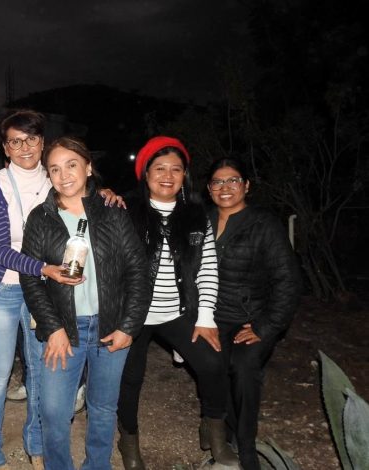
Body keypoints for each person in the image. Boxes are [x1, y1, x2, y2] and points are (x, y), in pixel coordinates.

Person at [19, 136, 149, 470]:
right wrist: (53, 329)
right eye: (54, 169)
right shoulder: (41, 218)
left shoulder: (112, 212)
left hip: (110, 327)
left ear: (88, 167)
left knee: (103, 408)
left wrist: (129, 326)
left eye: (71, 165)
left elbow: (137, 270)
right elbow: (30, 279)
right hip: (65, 328)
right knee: (53, 411)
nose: (64, 175)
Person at [116, 136, 239, 468]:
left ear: (185, 175)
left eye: (176, 169)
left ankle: (214, 430)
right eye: (159, 168)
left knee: (213, 362)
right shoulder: (125, 210)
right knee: (130, 377)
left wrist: (206, 317)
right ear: (145, 173)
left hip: (178, 311)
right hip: (133, 314)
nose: (167, 176)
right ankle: (128, 439)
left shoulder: (197, 215)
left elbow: (208, 268)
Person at [206, 158, 301, 470]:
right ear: (209, 188)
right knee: (211, 365)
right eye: (218, 182)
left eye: (233, 180)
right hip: (209, 317)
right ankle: (221, 428)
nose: (225, 187)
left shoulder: (264, 224)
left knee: (244, 368)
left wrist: (266, 325)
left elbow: (288, 280)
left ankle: (246, 446)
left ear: (246, 186)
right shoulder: (201, 222)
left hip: (250, 317)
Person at [0, 109, 56, 469]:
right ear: (5, 148)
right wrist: (42, 267)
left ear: (42, 142)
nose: (25, 147)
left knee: (40, 371)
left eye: (31, 139)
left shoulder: (56, 180)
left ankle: (36, 445)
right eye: (15, 141)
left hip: (42, 291)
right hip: (2, 290)